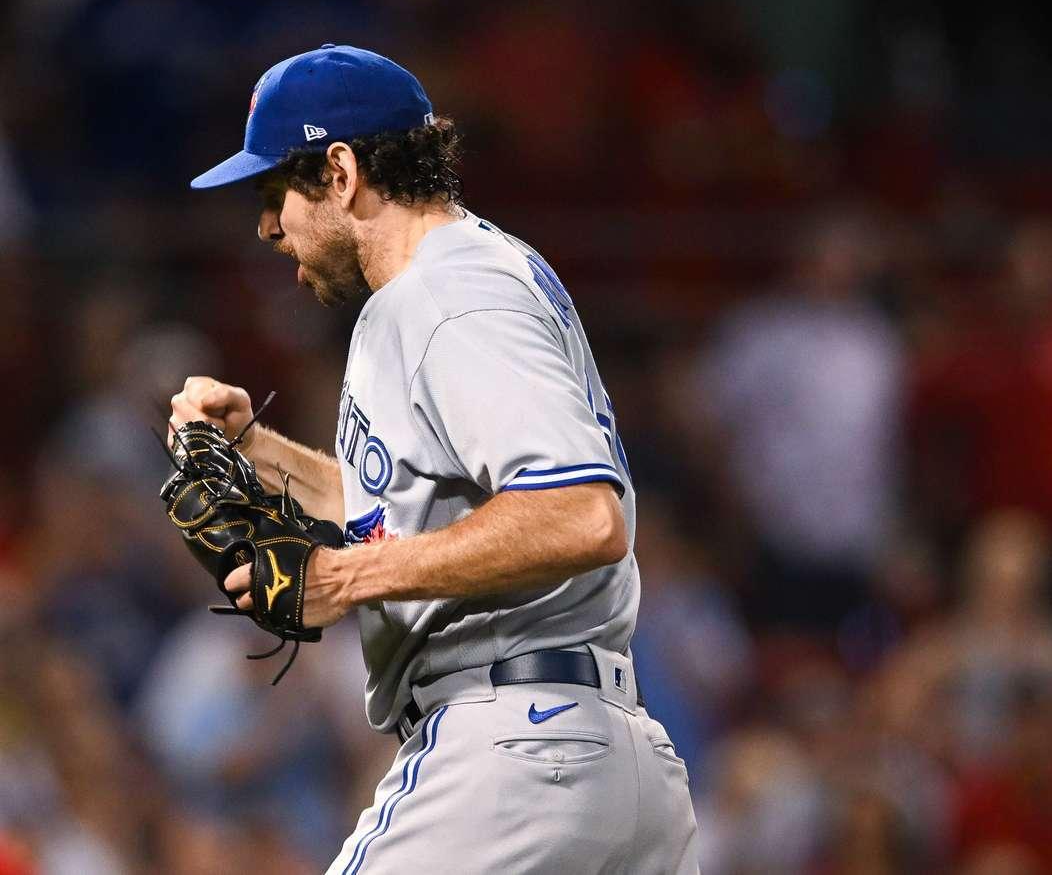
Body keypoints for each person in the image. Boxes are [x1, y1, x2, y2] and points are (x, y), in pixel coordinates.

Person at [168, 44, 697, 873]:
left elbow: (583, 514)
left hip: (514, 750)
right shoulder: (453, 283)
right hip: (590, 756)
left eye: (276, 194)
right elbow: (407, 512)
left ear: (340, 172)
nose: (267, 227)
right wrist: (256, 449)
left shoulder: (449, 294)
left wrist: (343, 578)